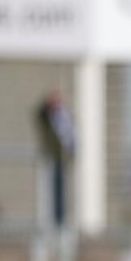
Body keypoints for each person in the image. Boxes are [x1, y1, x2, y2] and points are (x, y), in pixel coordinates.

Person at [36, 90, 75, 228]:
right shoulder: (47, 117)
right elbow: (40, 113)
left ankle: (60, 223)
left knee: (61, 194)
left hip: (61, 160)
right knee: (48, 194)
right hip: (51, 160)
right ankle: (52, 223)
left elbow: (70, 136)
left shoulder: (64, 116)